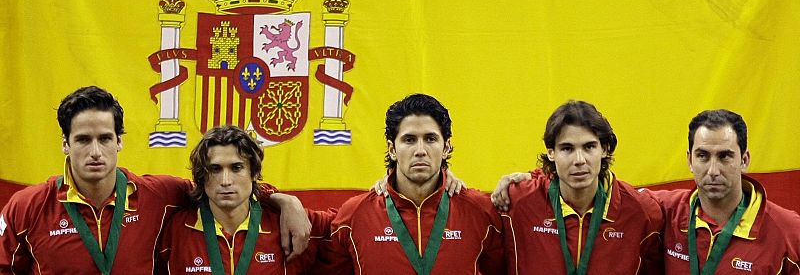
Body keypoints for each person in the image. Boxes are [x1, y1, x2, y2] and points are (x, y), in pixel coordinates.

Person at [0, 86, 310, 274]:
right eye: (83, 139)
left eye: (105, 138)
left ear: (119, 141)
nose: (95, 151)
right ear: (65, 144)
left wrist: (285, 200)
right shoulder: (27, 207)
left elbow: (220, 187)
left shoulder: (156, 195)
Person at [315, 93, 506, 274]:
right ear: (392, 149)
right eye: (409, 140)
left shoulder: (480, 212)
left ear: (446, 147)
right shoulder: (355, 214)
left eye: (430, 139)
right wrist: (286, 202)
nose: (420, 150)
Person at [492, 100, 664, 275]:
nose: (579, 160)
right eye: (567, 149)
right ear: (551, 153)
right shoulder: (516, 202)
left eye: (589, 147)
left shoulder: (641, 212)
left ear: (604, 149)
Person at [156, 125, 330, 274]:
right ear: (201, 176)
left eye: (236, 168)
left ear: (254, 172)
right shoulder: (173, 232)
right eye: (215, 169)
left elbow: (348, 224)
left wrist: (291, 201)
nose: (225, 181)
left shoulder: (289, 224)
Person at [653, 109, 800, 274]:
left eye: (724, 156)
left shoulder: (790, 232)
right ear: (689, 160)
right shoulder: (663, 211)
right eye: (703, 156)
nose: (713, 171)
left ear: (744, 160)